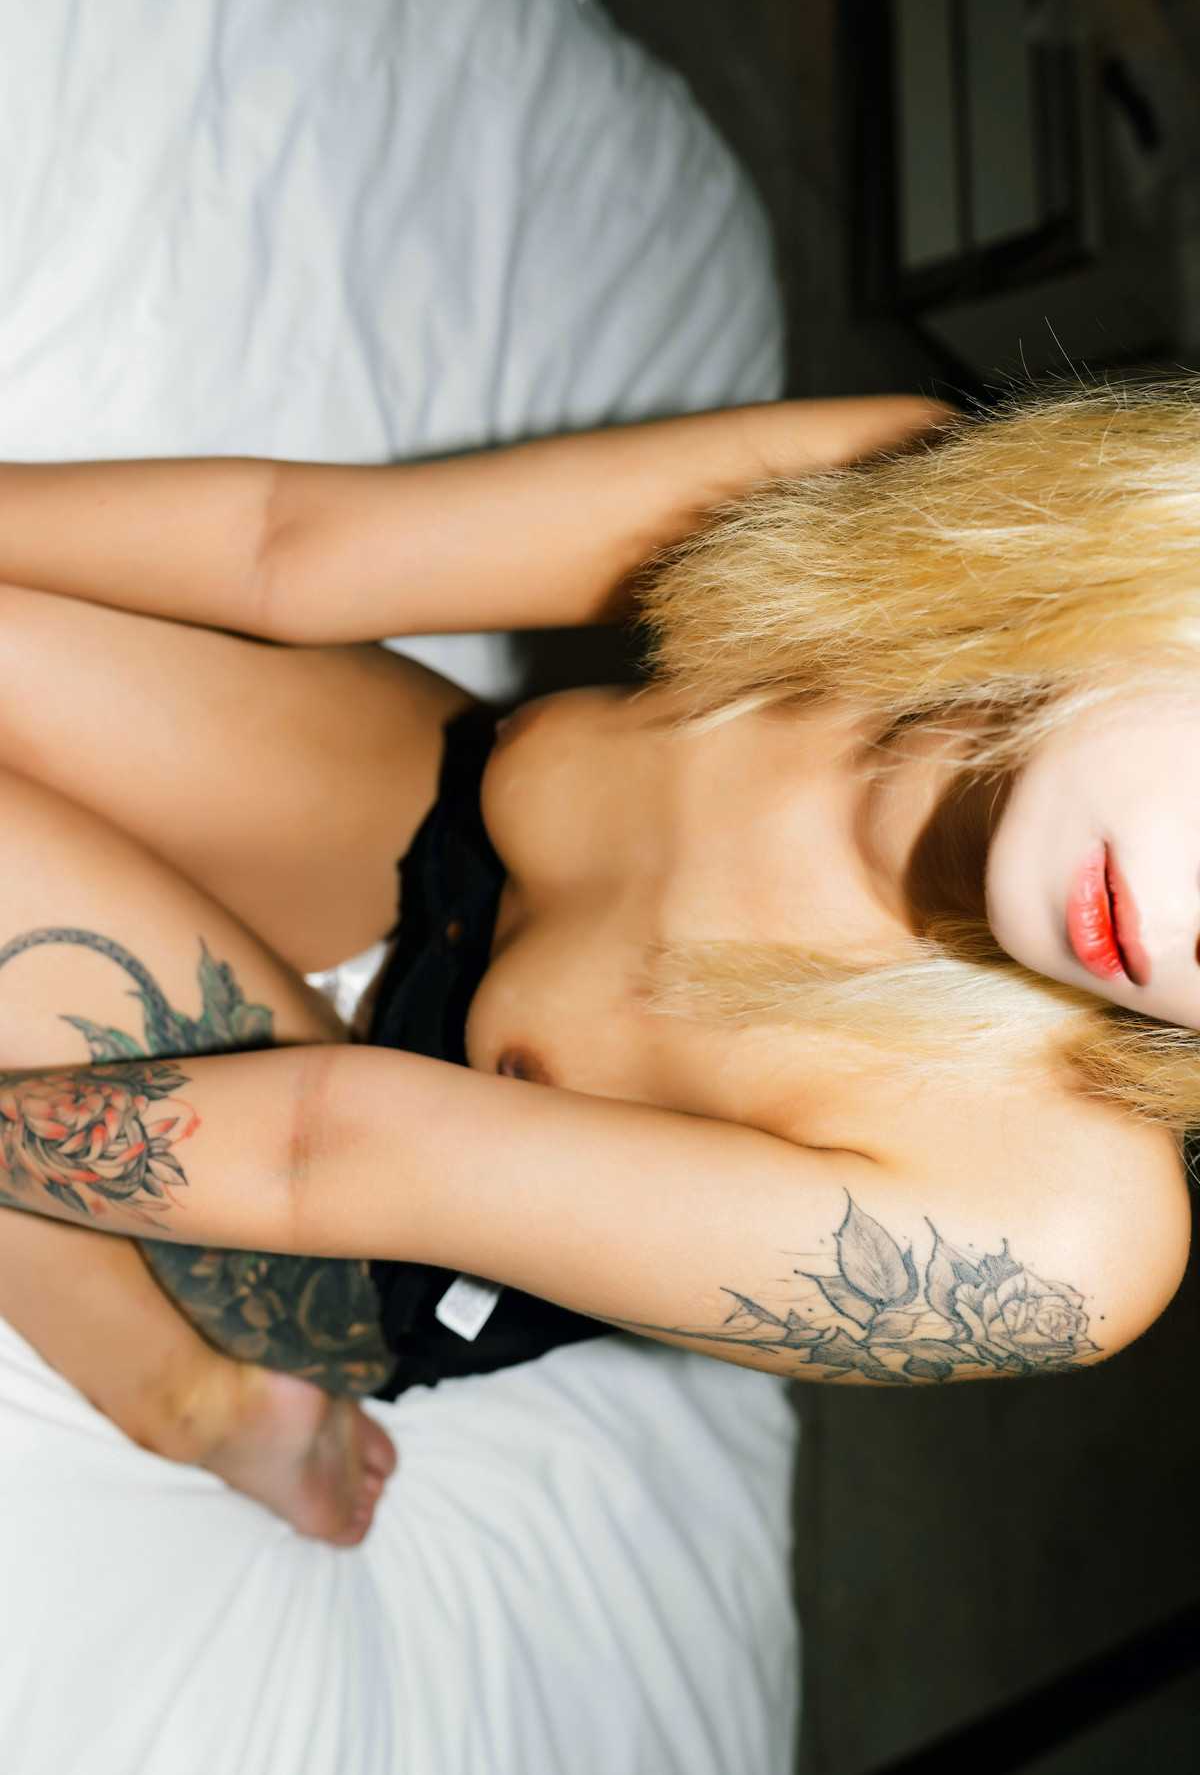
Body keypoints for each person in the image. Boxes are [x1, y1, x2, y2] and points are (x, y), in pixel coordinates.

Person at [0, 383, 1191, 1548]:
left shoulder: (1063, 1234)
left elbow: (326, 1153)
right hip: (437, 845)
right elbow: (293, 543)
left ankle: (198, 1399)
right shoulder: (922, 512)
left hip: (380, 1211)